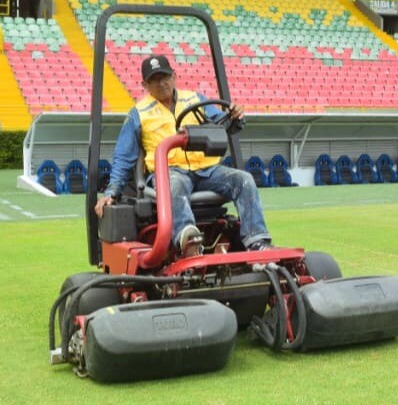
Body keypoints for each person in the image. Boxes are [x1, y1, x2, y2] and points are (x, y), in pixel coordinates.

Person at [94, 54, 273, 257]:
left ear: (174, 76)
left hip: (207, 170)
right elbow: (123, 157)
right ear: (144, 84)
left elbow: (223, 124)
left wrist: (235, 117)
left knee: (244, 179)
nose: (162, 84)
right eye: (154, 80)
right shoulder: (139, 113)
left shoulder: (195, 99)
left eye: (165, 77)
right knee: (174, 184)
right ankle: (188, 240)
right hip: (169, 172)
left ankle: (257, 241)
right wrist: (111, 192)